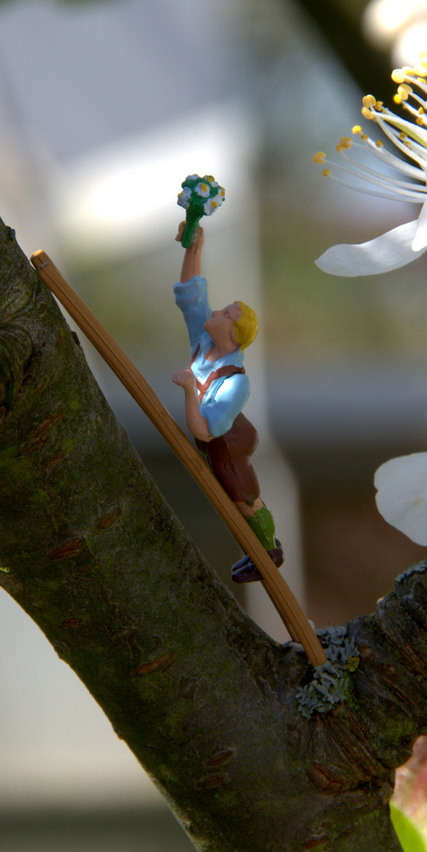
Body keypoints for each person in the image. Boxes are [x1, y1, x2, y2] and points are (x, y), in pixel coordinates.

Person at [169, 222, 283, 583]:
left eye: (226, 314)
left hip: (228, 443)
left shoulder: (236, 383)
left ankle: (269, 551)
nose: (216, 312)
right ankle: (258, 551)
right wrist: (194, 248)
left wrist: (190, 389)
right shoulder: (204, 343)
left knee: (242, 499)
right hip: (214, 434)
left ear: (233, 334)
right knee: (230, 500)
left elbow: (205, 432)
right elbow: (191, 296)